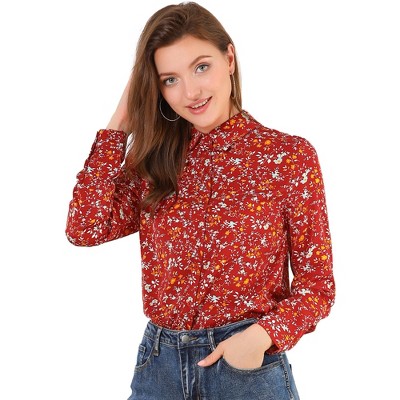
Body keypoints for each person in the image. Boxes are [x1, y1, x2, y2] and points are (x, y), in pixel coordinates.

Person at [65, 2, 335, 399]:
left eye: (201, 67)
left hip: (246, 371)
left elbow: (317, 286)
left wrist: (260, 337)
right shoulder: (154, 162)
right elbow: (84, 229)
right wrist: (119, 123)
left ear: (230, 59)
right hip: (159, 369)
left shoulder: (287, 158)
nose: (190, 92)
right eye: (170, 79)